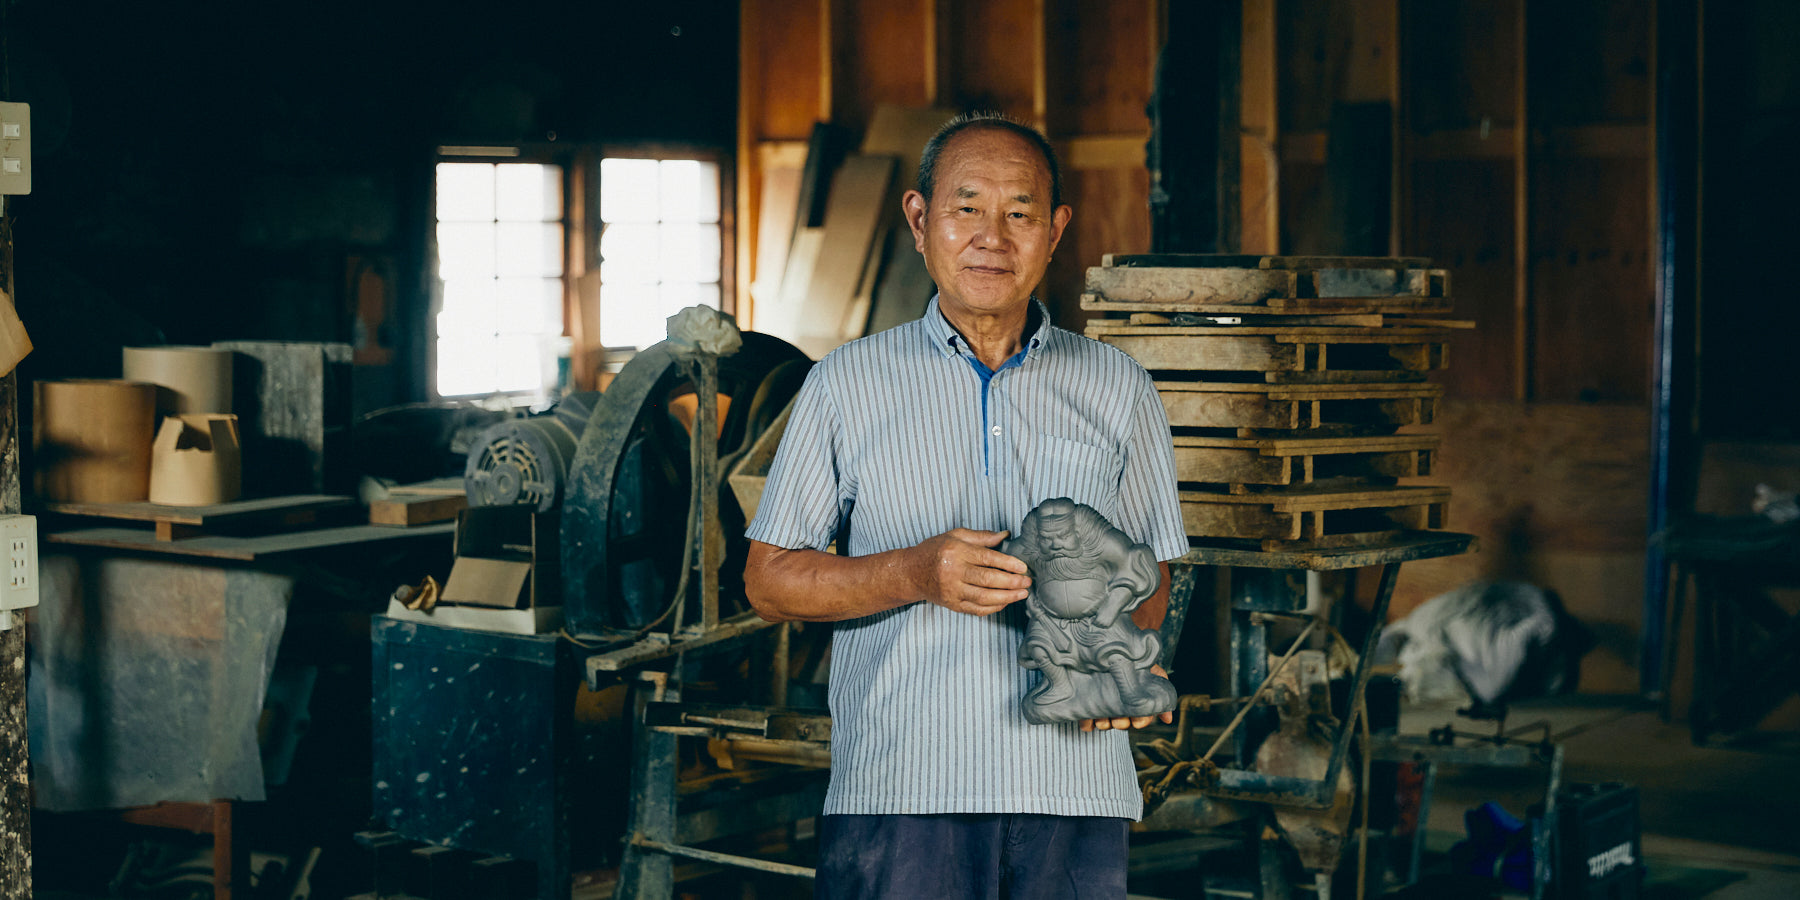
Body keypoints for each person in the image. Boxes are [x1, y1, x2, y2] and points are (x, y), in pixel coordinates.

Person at [743, 111, 1187, 899]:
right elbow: (769, 581)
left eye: (1020, 212)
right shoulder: (845, 384)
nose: (994, 236)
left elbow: (1156, 571)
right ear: (920, 220)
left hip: (1073, 789)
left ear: (1054, 232)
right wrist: (915, 573)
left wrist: (1116, 662)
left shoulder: (1118, 387)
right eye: (967, 206)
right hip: (904, 789)